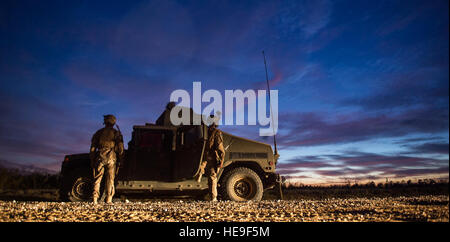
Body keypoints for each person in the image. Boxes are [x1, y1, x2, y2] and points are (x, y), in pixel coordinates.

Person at [90, 114, 124, 204]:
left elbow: (93, 148)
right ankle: (109, 199)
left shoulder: (99, 132)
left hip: (100, 156)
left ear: (105, 122)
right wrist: (120, 159)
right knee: (110, 179)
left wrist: (92, 159)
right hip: (111, 157)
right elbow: (120, 149)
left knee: (97, 178)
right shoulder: (116, 133)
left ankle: (95, 199)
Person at [198, 115, 225, 201]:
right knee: (213, 176)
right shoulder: (217, 132)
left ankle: (199, 177)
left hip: (204, 156)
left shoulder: (205, 131)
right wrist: (221, 160)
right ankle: (213, 197)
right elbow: (220, 148)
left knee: (201, 172)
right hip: (212, 157)